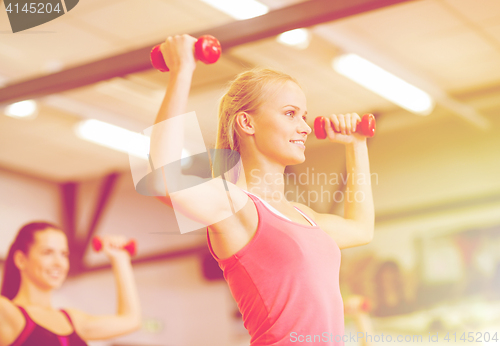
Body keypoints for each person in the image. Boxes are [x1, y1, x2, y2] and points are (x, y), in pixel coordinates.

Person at [151, 35, 374, 345]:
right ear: (247, 122)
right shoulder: (234, 205)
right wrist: (183, 70)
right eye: (290, 113)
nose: (305, 127)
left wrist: (357, 146)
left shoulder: (303, 215)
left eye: (304, 116)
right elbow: (163, 178)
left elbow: (361, 230)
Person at [0, 221, 141, 346]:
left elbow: (131, 320)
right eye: (47, 252)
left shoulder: (72, 320)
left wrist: (120, 258)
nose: (59, 263)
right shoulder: (8, 314)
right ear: (21, 260)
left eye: (64, 254)